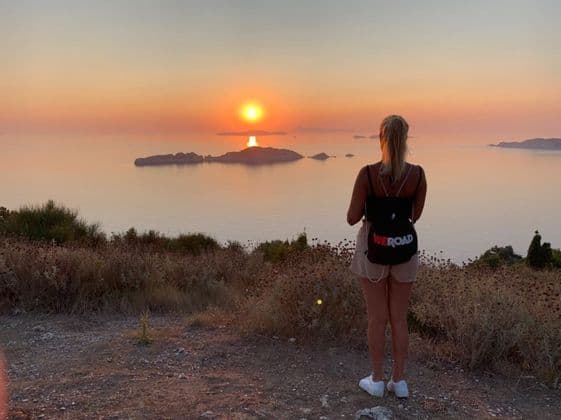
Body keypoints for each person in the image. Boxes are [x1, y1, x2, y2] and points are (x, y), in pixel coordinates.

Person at [346, 115, 427, 398]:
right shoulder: (417, 175)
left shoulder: (367, 174)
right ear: (405, 140)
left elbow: (351, 217)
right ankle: (400, 381)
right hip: (405, 251)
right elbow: (414, 215)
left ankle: (377, 380)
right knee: (399, 319)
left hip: (373, 252)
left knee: (376, 319)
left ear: (381, 138)